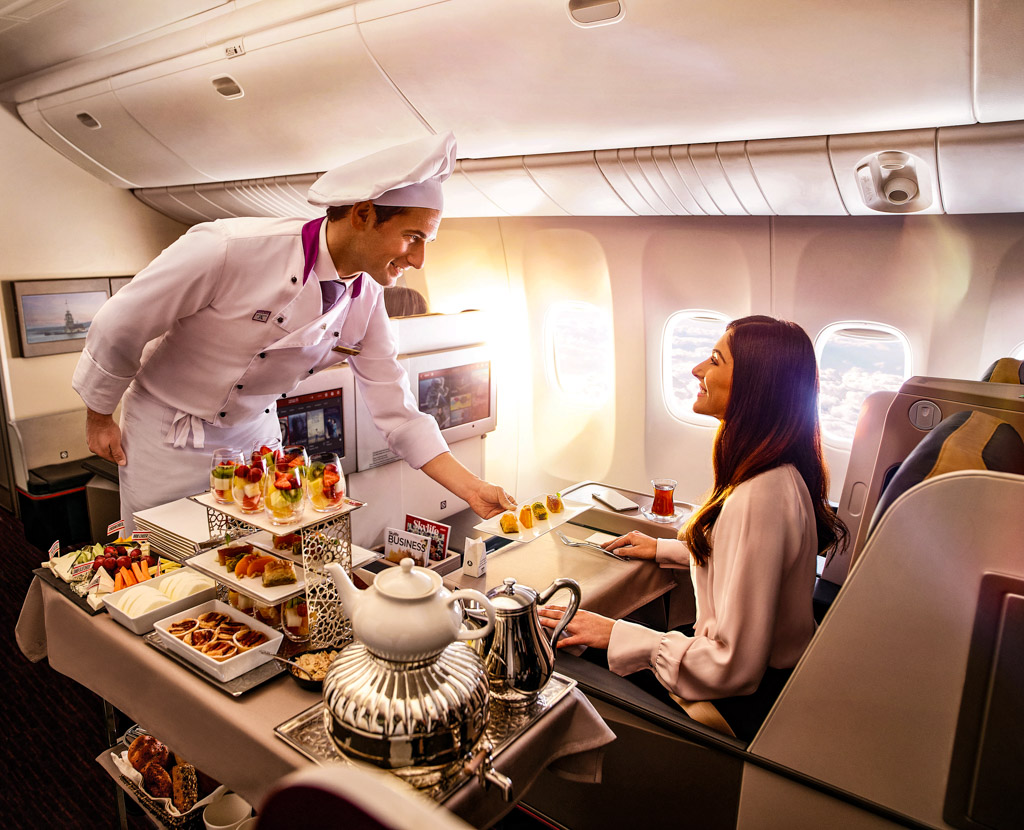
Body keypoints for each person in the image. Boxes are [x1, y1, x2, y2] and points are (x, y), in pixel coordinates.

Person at [73, 132, 515, 530]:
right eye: (412, 237)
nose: (418, 260)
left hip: (254, 439)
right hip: (169, 436)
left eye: (426, 243)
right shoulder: (229, 249)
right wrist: (99, 415)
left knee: (250, 562)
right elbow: (120, 323)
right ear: (363, 214)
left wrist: (472, 488)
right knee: (163, 560)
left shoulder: (365, 296)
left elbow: (396, 410)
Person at [540, 315, 847, 740]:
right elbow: (746, 559)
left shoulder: (758, 497)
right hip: (765, 677)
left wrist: (615, 633)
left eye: (715, 360)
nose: (696, 369)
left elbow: (732, 667)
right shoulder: (781, 473)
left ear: (754, 386)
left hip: (738, 701)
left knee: (559, 653)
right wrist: (664, 549)